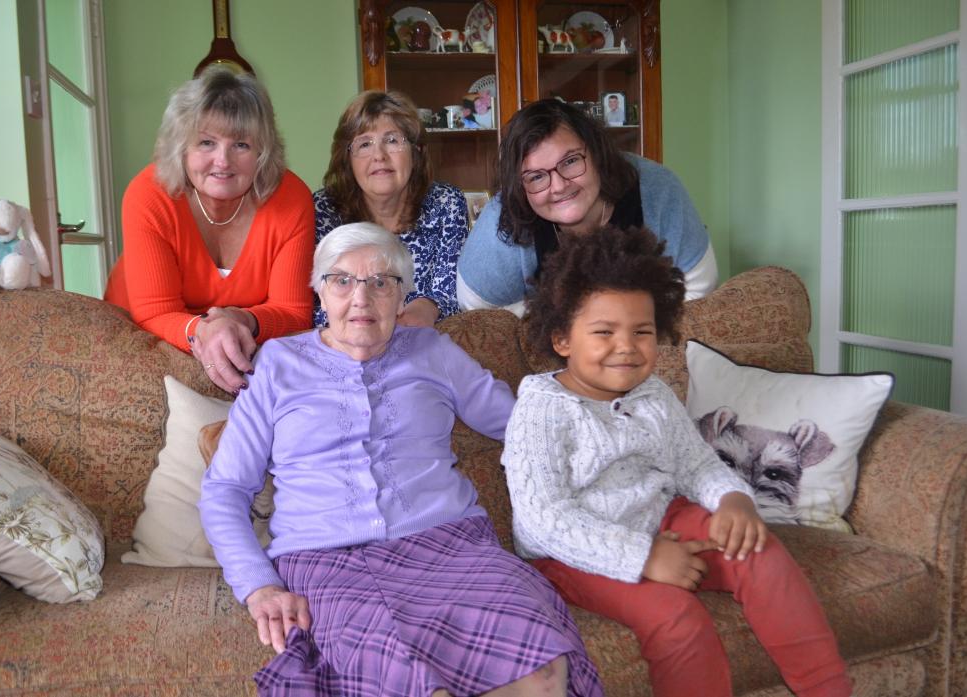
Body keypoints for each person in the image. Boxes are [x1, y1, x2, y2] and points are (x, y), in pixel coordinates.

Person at [199, 222, 604, 697]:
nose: (361, 299)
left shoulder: (434, 351)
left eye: (381, 283)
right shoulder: (277, 364)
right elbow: (225, 489)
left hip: (452, 545)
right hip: (327, 559)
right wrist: (258, 585)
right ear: (319, 293)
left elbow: (522, 426)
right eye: (341, 280)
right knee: (409, 685)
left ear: (402, 296)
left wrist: (609, 431)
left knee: (541, 670)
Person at [501, 225, 852, 697]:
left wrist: (733, 499)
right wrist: (645, 557)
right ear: (562, 338)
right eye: (604, 332)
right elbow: (543, 520)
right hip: (575, 550)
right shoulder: (542, 408)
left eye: (642, 332)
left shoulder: (655, 394)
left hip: (661, 515)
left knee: (759, 552)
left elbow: (695, 463)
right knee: (678, 620)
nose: (626, 346)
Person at [105, 67, 315, 394]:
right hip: (142, 335)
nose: (223, 161)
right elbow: (155, 312)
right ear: (181, 148)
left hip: (238, 337)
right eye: (206, 142)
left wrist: (242, 320)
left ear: (263, 152)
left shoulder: (292, 199)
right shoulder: (148, 194)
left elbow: (293, 312)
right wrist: (203, 330)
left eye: (241, 145)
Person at [456, 98, 718, 316]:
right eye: (536, 177)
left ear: (597, 153)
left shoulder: (658, 189)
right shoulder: (503, 218)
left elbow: (697, 290)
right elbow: (477, 314)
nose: (558, 186)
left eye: (570, 161)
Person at [313, 90, 468, 328]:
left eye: (392, 140)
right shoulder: (323, 210)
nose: (379, 156)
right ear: (347, 159)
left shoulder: (446, 202)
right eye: (364, 144)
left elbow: (448, 296)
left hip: (421, 340)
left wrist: (424, 308)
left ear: (416, 152)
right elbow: (316, 305)